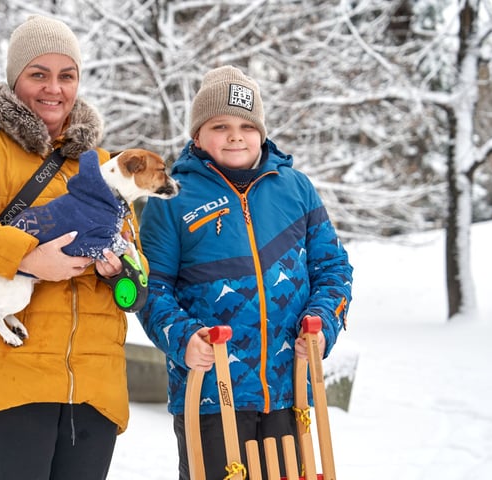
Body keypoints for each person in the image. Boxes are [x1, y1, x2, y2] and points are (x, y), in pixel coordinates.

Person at [0, 15, 136, 480]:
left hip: (90, 392)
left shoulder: (101, 165)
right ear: (16, 80)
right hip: (2, 381)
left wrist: (122, 271)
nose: (53, 88)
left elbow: (137, 263)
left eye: (66, 75)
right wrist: (26, 257)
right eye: (39, 74)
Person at [136, 65, 353, 479]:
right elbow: (153, 290)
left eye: (246, 125)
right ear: (197, 136)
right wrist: (184, 339)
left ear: (262, 132)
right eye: (220, 125)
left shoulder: (295, 188)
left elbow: (333, 267)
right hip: (213, 395)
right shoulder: (171, 198)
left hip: (290, 391)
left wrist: (323, 322)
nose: (236, 135)